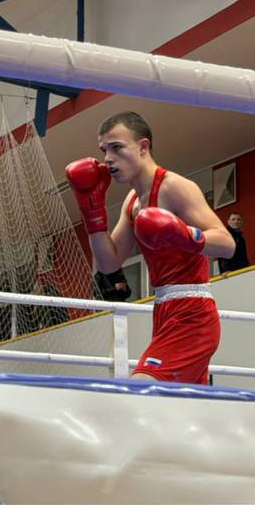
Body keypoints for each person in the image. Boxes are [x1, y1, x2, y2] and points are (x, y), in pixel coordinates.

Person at [65, 110, 235, 385]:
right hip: (164, 311)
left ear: (143, 147)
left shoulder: (173, 187)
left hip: (192, 313)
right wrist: (91, 212)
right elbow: (109, 263)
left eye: (117, 147)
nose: (108, 158)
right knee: (181, 406)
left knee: (139, 390)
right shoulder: (132, 201)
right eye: (104, 150)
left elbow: (226, 244)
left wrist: (183, 235)